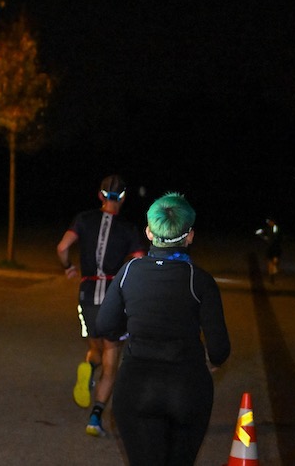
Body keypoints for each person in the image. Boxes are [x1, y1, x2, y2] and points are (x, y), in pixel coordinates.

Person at [95, 191, 231, 466]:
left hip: (136, 387)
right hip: (187, 389)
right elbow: (219, 350)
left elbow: (105, 326)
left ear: (149, 232)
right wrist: (211, 361)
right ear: (189, 236)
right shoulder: (200, 280)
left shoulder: (129, 272)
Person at [56, 173, 145, 437]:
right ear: (124, 198)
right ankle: (95, 418)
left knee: (94, 346)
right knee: (112, 357)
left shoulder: (83, 219)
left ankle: (88, 366)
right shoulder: (129, 230)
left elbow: (62, 247)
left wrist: (69, 267)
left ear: (100, 196)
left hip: (87, 294)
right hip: (113, 298)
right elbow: (139, 261)